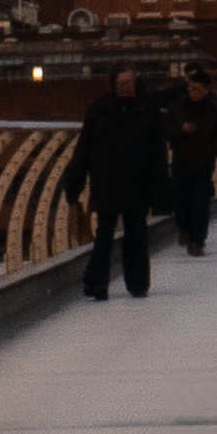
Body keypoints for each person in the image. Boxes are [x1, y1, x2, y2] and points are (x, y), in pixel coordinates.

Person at [75, 65, 166, 300]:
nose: (127, 88)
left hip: (138, 181)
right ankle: (97, 283)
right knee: (105, 232)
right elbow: (84, 149)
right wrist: (74, 182)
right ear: (113, 85)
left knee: (135, 232)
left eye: (130, 83)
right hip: (108, 180)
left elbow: (158, 152)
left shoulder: (148, 110)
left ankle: (137, 284)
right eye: (122, 84)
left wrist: (161, 187)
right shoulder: (98, 110)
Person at [169, 80, 217, 257]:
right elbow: (166, 131)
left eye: (199, 88)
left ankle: (197, 241)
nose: (195, 92)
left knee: (200, 204)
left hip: (203, 164)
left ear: (206, 90)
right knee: (182, 203)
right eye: (192, 88)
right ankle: (185, 229)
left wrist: (210, 154)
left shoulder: (212, 110)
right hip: (181, 163)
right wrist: (181, 130)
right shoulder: (177, 108)